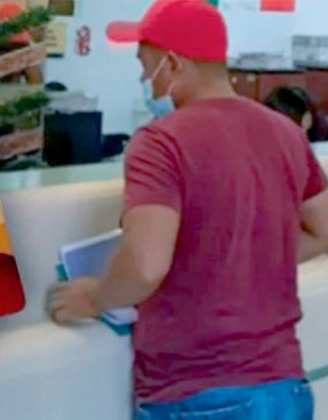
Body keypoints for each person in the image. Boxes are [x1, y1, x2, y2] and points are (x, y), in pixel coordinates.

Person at [46, 1, 328, 419]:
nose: (144, 81)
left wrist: (95, 297)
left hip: (198, 394)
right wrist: (242, 259)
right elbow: (323, 230)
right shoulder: (286, 132)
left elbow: (145, 265)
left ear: (173, 63)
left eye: (145, 67)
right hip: (285, 388)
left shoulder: (160, 142)